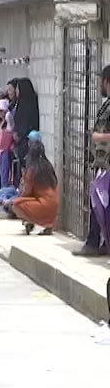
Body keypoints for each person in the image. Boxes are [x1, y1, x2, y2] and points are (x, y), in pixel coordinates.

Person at [74, 65, 110, 256]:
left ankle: (94, 242)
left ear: (106, 80)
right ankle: (98, 242)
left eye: (100, 81)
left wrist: (98, 137)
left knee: (99, 202)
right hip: (102, 162)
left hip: (107, 164)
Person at [12, 139, 59, 235]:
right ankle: (47, 224)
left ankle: (31, 221)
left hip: (44, 204)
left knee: (16, 205)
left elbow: (26, 192)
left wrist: (15, 198)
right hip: (54, 204)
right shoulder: (48, 166)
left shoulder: (32, 170)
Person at [12, 78, 40, 178]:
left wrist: (18, 135)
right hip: (21, 141)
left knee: (26, 166)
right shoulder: (21, 103)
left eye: (18, 89)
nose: (16, 91)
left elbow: (26, 123)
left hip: (26, 141)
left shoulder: (26, 105)